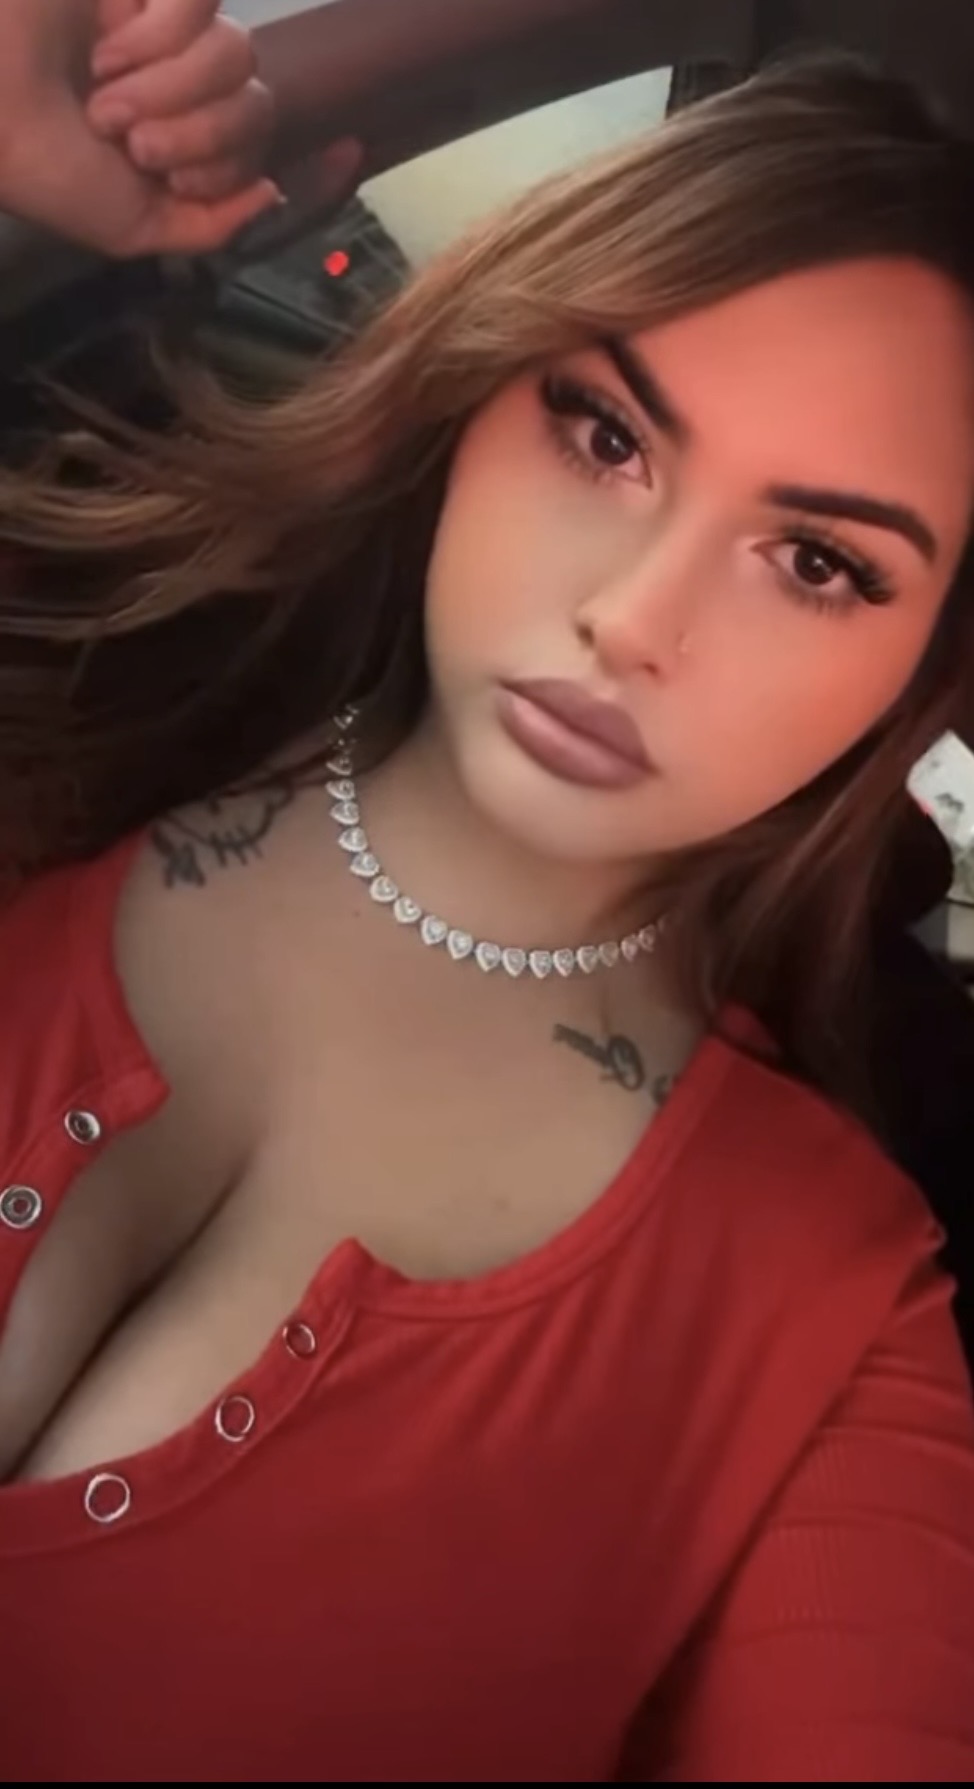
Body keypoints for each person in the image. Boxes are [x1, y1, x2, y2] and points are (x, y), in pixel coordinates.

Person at [0, 5, 973, 1780]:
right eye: (604, 434)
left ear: (923, 676)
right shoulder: (61, 664)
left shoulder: (830, 1321)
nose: (632, 616)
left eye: (818, 561)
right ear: (480, 380)